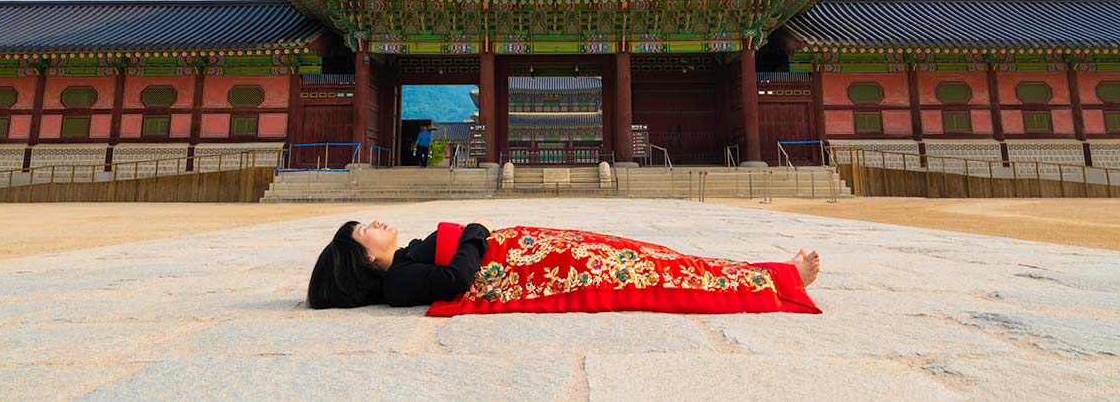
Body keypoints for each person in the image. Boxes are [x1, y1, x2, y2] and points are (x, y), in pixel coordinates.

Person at [306, 218, 821, 315]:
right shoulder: (398, 280)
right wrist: (475, 233)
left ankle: (764, 270)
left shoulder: (407, 255)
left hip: (533, 249)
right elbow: (458, 279)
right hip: (533, 268)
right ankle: (778, 279)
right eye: (364, 231)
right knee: (649, 272)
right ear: (367, 257)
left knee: (649, 256)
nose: (374, 223)